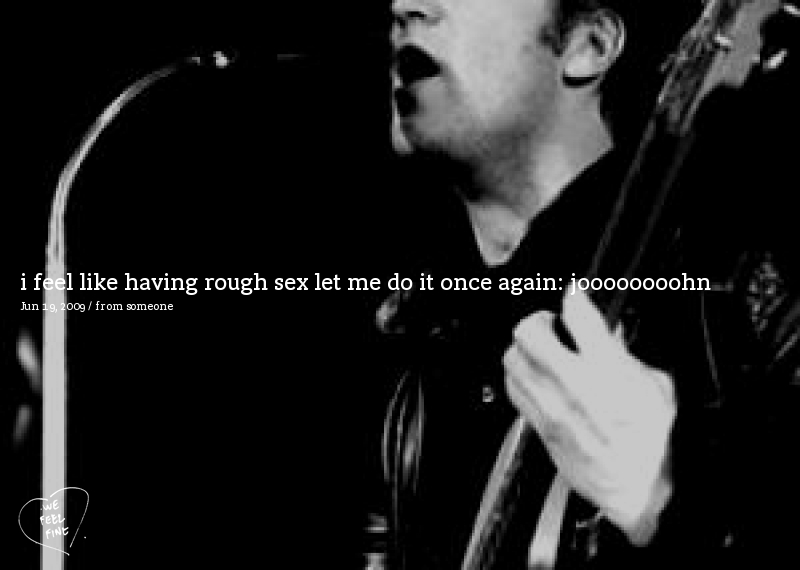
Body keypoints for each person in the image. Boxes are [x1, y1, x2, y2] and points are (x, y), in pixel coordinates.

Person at [371, 0, 800, 568]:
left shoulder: (739, 285)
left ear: (588, 47)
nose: (405, 6)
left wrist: (661, 500)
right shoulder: (409, 337)